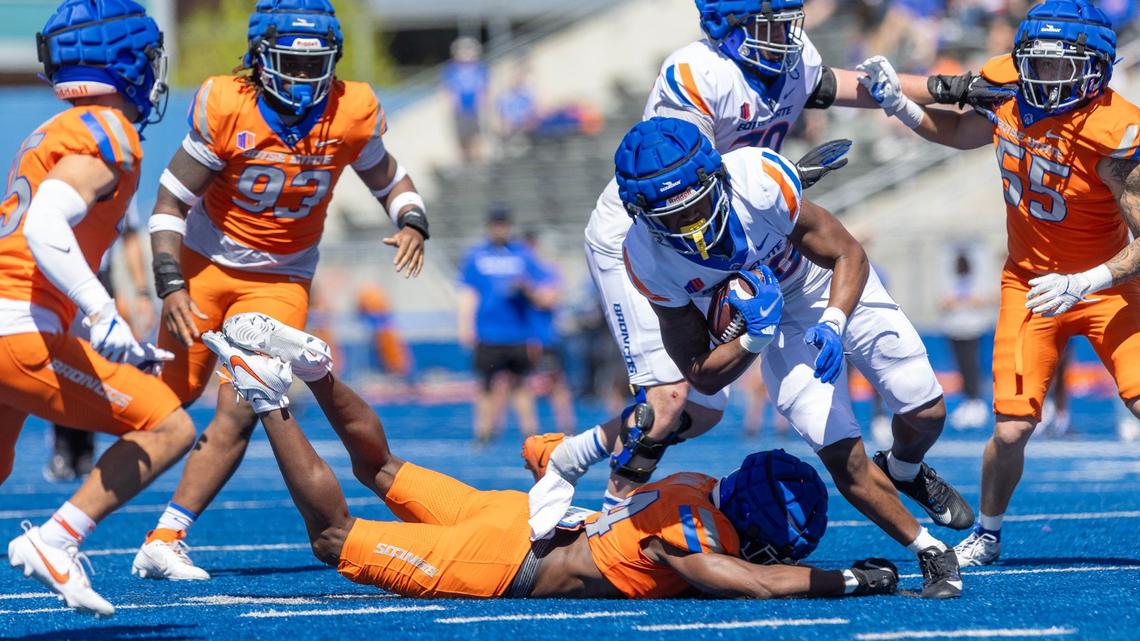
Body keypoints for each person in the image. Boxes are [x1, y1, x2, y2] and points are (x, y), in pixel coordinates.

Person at [526, 0, 993, 529]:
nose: (787, 37)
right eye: (769, 26)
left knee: (703, 411)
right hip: (657, 237)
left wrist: (944, 88)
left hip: (723, 230)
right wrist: (779, 179)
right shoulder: (697, 74)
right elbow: (680, 184)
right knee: (673, 395)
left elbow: (832, 85)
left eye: (788, 23)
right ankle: (607, 522)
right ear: (728, 27)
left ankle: (566, 457)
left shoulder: (786, 58)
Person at [197, 313, 901, 601]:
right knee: (332, 537)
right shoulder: (704, 536)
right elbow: (750, 580)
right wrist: (847, 581)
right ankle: (272, 399)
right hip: (505, 557)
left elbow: (633, 475)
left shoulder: (697, 484)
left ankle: (320, 369)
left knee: (381, 469)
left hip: (519, 516)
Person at [132, 0, 431, 581]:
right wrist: (170, 284)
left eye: (312, 64)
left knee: (247, 402)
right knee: (164, 405)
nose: (301, 78)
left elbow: (389, 178)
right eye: (287, 64)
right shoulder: (227, 104)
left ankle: (165, 537)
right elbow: (169, 204)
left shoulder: (351, 110)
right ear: (259, 59)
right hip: (203, 266)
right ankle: (76, 462)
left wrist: (413, 219)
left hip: (281, 279)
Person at [607, 117, 967, 599]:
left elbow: (847, 253)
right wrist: (753, 338)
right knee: (838, 449)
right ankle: (930, 551)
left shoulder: (758, 180)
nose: (686, 225)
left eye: (691, 206)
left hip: (823, 284)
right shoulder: (648, 257)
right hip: (773, 328)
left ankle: (904, 468)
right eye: (667, 216)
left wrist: (835, 321)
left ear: (716, 180)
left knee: (925, 410)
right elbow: (701, 374)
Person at [860, 0, 1140, 566]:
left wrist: (1086, 279)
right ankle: (987, 534)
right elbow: (966, 131)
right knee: (1011, 429)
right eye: (1034, 63)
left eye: (1060, 68)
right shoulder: (1006, 83)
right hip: (1030, 282)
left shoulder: (1116, 131)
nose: (1042, 79)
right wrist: (903, 108)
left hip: (1107, 284)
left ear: (1096, 70)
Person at [2, 0, 197, 617]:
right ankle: (57, 540)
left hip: (16, 318)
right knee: (169, 426)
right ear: (123, 62)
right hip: (18, 329)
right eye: (146, 58)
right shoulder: (106, 130)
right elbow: (44, 225)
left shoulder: (55, 131)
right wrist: (101, 309)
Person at [46, 198, 156, 482]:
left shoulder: (121, 186)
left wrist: (141, 293)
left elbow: (130, 239)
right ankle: (62, 443)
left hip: (100, 278)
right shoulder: (59, 181)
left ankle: (85, 447)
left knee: (95, 362)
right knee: (62, 360)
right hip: (59, 276)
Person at [457, 206, 543, 441]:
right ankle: (483, 433)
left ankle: (531, 434)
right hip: (488, 333)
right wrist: (466, 325)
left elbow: (542, 290)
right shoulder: (476, 255)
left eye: (503, 224)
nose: (499, 228)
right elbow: (468, 293)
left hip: (517, 332)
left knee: (521, 386)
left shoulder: (522, 254)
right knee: (484, 385)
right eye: (496, 224)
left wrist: (527, 289)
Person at [522, 229, 576, 434]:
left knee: (556, 383)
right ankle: (529, 431)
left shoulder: (546, 271)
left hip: (544, 338)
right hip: (521, 337)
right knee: (518, 384)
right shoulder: (518, 272)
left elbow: (548, 299)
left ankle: (567, 428)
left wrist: (526, 288)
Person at [942, 248, 993, 431]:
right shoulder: (951, 282)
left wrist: (964, 301)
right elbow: (944, 302)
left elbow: (981, 300)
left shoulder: (976, 281)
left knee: (973, 366)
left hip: (972, 329)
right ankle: (967, 399)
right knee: (961, 366)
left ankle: (976, 400)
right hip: (955, 329)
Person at [442, 36, 489, 161]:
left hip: (475, 109)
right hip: (460, 110)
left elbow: (484, 89)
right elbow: (448, 90)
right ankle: (465, 163)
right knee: (462, 139)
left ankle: (477, 163)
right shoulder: (451, 69)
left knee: (477, 138)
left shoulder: (481, 68)